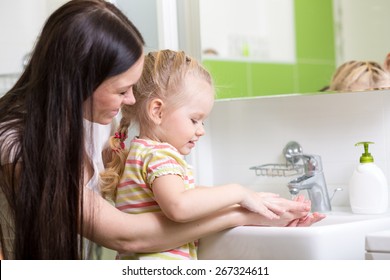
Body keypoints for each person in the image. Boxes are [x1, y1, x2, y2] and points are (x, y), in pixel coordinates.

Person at [0, 0, 324, 260]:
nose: (130, 99)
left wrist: (244, 211)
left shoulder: (96, 124)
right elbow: (125, 233)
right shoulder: (15, 144)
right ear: (78, 81)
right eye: (122, 89)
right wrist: (238, 209)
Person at [100, 49, 326, 260]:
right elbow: (180, 206)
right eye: (194, 119)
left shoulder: (142, 152)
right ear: (157, 111)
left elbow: (189, 199)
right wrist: (238, 192)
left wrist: (262, 208)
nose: (201, 130)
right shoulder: (159, 156)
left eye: (203, 121)